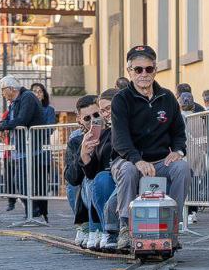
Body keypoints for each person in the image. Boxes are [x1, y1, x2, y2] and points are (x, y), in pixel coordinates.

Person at [107, 45, 190, 252]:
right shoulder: (121, 100)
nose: (143, 74)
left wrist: (177, 151)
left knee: (182, 168)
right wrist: (137, 160)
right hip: (128, 159)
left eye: (148, 69)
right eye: (138, 69)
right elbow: (120, 139)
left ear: (155, 70)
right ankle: (126, 227)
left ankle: (173, 227)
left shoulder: (168, 97)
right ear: (129, 71)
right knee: (127, 171)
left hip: (161, 160)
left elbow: (179, 132)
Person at [65, 95, 118, 250]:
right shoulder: (76, 139)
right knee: (79, 182)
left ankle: (100, 228)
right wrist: (83, 153)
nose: (94, 120)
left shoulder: (113, 132)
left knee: (97, 178)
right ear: (80, 120)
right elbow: (72, 177)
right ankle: (87, 226)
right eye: (87, 118)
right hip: (86, 190)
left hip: (108, 185)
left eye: (96, 115)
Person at [0, 74, 48, 221]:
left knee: (21, 179)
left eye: (3, 90)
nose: (2, 94)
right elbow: (9, 119)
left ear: (11, 89)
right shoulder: (14, 101)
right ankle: (32, 210)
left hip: (31, 147)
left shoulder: (27, 97)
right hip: (22, 148)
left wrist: (2, 126)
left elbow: (22, 120)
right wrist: (2, 125)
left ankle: (33, 209)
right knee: (20, 180)